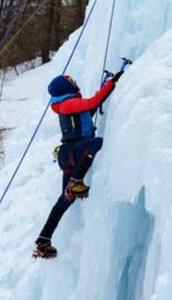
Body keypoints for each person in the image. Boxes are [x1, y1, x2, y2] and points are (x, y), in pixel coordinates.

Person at [32, 65, 126, 259]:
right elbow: (92, 103)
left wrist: (106, 88)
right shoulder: (67, 104)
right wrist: (112, 83)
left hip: (69, 154)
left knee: (65, 200)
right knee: (96, 143)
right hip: (74, 151)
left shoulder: (69, 105)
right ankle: (76, 182)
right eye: (71, 82)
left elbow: (87, 113)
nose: (75, 83)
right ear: (66, 88)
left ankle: (43, 240)